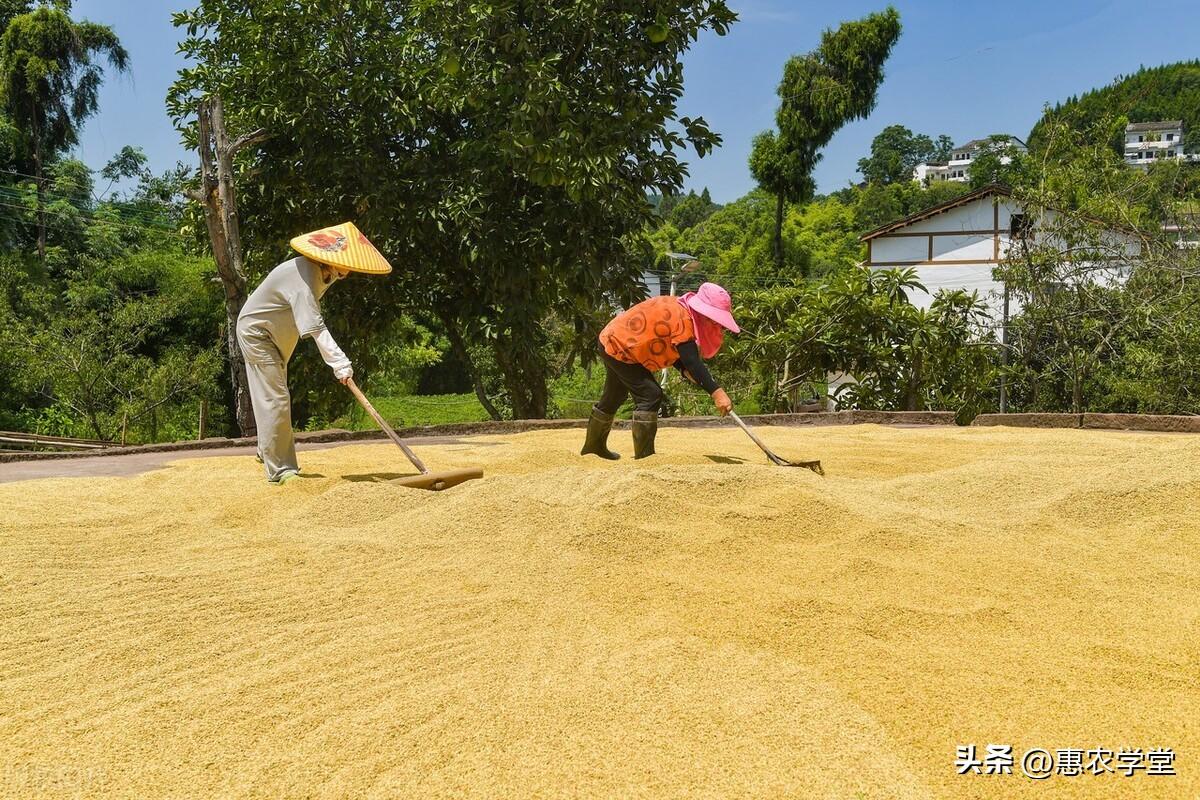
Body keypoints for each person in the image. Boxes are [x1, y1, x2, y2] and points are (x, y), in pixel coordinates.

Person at [236, 222, 392, 483]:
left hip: (277, 336)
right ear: (330, 258)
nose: (349, 270)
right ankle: (281, 470)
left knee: (271, 394)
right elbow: (315, 327)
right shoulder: (303, 274)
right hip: (258, 334)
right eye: (347, 263)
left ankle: (266, 450)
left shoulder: (324, 274)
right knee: (276, 398)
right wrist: (340, 364)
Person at [581, 282, 739, 460]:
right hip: (620, 345)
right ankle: (645, 457)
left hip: (613, 341)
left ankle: (593, 448)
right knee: (650, 395)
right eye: (713, 319)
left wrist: (683, 370)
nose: (715, 324)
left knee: (615, 395)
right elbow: (692, 361)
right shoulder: (683, 319)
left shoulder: (681, 310)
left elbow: (676, 350)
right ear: (702, 311)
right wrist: (717, 393)